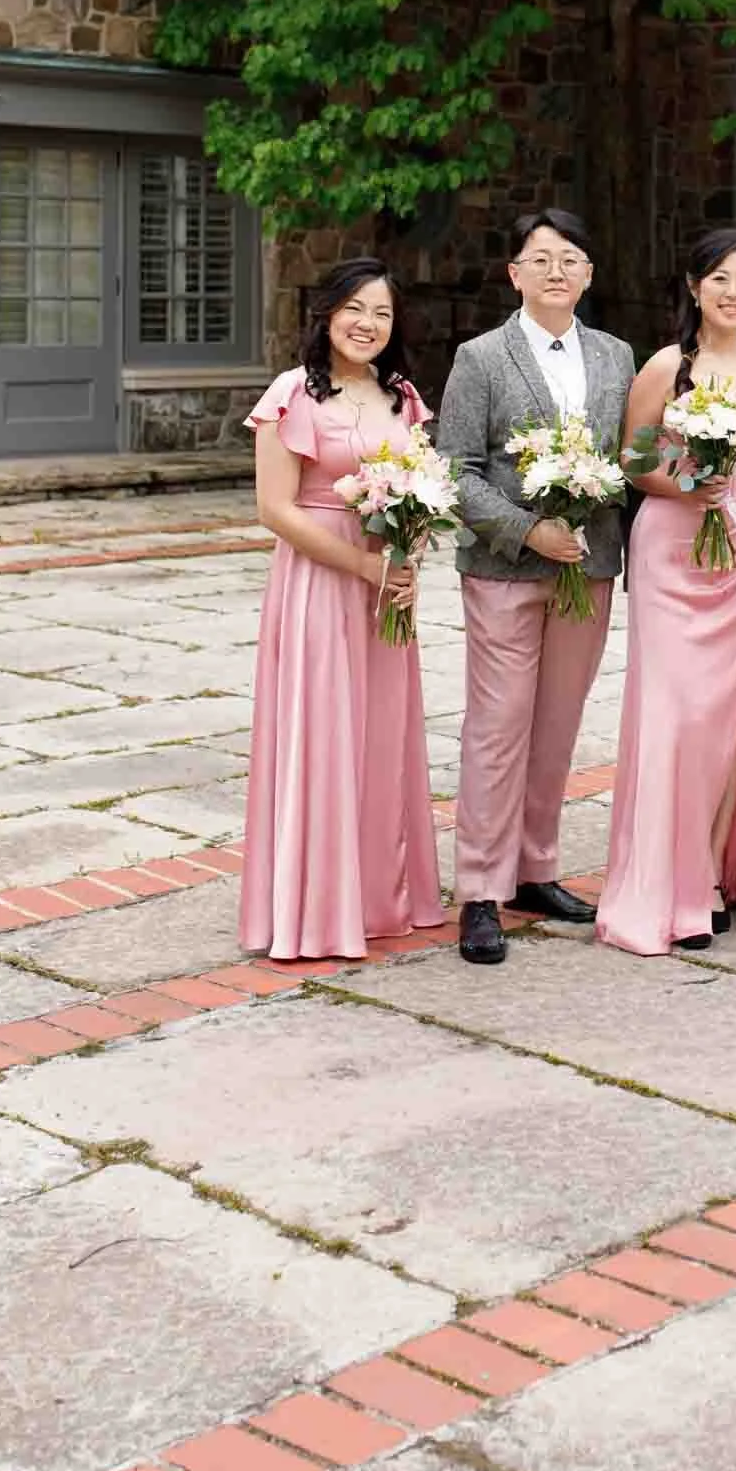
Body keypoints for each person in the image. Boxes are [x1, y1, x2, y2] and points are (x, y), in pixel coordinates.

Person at [435, 207, 635, 965]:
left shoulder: (616, 355)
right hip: (504, 568)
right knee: (497, 725)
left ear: (588, 274)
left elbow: (634, 452)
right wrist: (526, 529)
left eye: (571, 259)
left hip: (589, 566)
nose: (558, 271)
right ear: (514, 273)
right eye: (541, 259)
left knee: (557, 723)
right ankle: (480, 889)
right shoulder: (480, 358)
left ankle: (535, 868)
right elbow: (456, 470)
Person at [240, 259, 445, 962]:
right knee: (322, 729)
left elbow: (423, 489)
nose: (368, 324)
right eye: (356, 309)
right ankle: (315, 909)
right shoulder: (291, 394)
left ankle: (379, 897)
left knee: (381, 736)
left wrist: (408, 556)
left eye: (383, 314)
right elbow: (273, 507)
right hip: (320, 580)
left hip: (386, 584)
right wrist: (360, 564)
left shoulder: (403, 397)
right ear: (327, 313)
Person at [597, 229, 736, 957]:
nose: (733, 293)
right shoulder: (667, 366)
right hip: (671, 552)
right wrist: (687, 479)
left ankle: (707, 873)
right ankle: (658, 880)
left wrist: (734, 492)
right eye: (720, 279)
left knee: (724, 719)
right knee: (673, 715)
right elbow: (632, 460)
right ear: (694, 286)